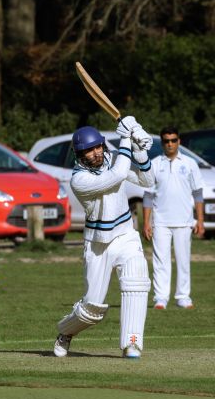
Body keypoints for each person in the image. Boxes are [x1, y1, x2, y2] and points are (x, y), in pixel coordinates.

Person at [53, 117, 155, 359]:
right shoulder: (79, 180)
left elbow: (148, 180)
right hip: (98, 244)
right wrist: (127, 138)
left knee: (136, 281)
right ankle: (65, 332)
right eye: (89, 150)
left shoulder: (113, 158)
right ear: (80, 155)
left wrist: (140, 150)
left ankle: (132, 343)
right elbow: (117, 176)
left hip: (125, 235)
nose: (96, 152)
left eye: (98, 146)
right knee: (92, 309)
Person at [142, 126, 204, 310]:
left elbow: (198, 194)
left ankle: (183, 297)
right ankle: (161, 298)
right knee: (160, 261)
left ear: (179, 141)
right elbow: (148, 195)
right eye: (166, 141)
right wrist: (146, 223)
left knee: (183, 261)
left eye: (173, 140)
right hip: (161, 221)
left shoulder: (190, 163)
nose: (170, 144)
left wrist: (200, 221)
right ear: (162, 143)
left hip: (184, 221)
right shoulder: (154, 164)